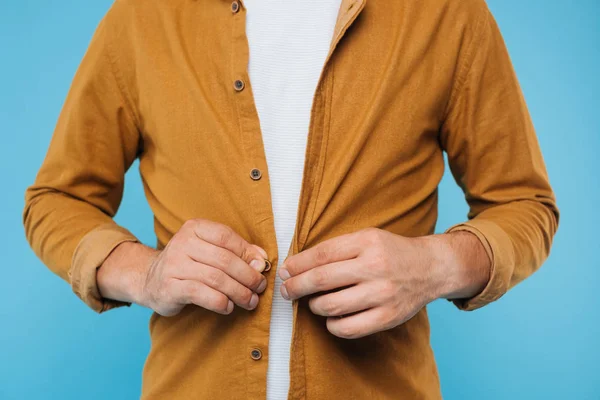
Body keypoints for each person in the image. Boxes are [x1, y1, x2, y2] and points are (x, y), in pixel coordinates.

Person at [23, 0, 559, 399]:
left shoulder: (448, 15)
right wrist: (146, 273)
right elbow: (56, 200)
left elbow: (525, 203)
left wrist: (436, 264)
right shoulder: (142, 18)